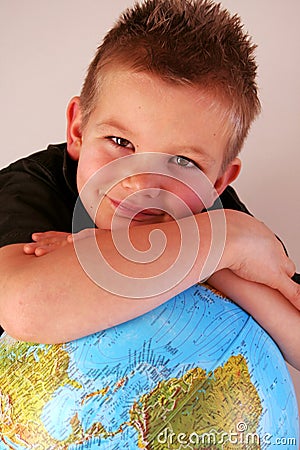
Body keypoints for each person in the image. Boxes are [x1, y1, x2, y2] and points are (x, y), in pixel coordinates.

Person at [0, 0, 299, 370]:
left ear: (219, 181)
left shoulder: (212, 212)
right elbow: (25, 308)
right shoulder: (29, 187)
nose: (141, 182)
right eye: (120, 143)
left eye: (182, 162)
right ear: (78, 130)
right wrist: (225, 244)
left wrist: (219, 262)